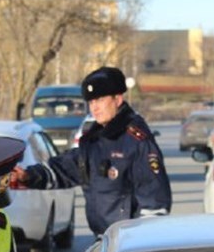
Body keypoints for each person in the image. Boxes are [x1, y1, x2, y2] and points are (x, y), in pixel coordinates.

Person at [12, 66, 172, 236]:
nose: (95, 108)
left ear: (117, 99)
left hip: (129, 242)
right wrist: (28, 176)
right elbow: (66, 168)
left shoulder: (136, 140)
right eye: (91, 102)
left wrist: (139, 245)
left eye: (100, 100)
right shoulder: (95, 140)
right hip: (104, 240)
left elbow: (154, 202)